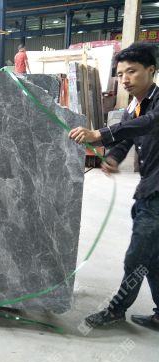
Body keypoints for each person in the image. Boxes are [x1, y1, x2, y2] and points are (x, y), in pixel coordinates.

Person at [68, 42, 159, 329]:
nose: (125, 79)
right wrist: (113, 158)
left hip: (156, 193)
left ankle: (117, 309)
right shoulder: (135, 104)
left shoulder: (155, 105)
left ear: (151, 70)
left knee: (136, 257)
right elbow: (128, 136)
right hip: (148, 188)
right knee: (152, 258)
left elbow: (148, 124)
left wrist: (99, 133)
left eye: (132, 72)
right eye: (120, 74)